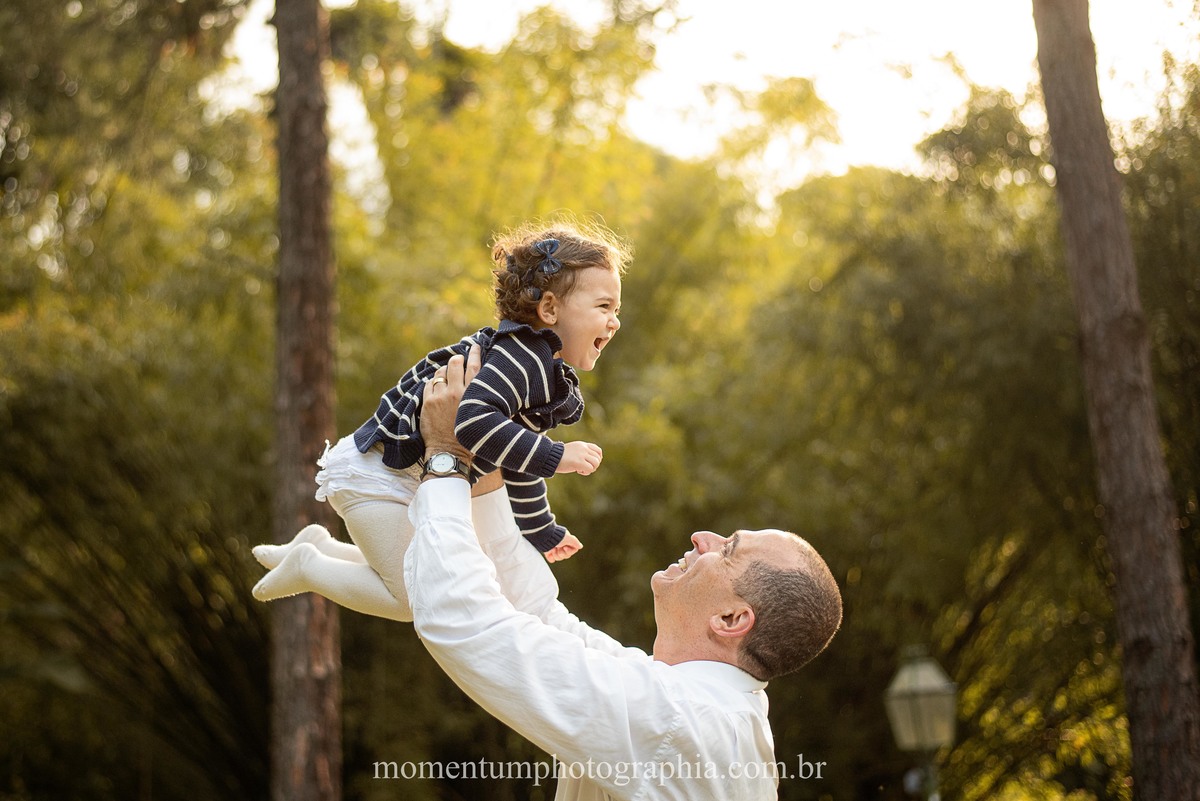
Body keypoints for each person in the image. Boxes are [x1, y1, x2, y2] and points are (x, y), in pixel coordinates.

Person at [404, 346, 843, 801]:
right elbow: (536, 617)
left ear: (732, 620)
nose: (701, 537)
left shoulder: (675, 719)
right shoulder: (699, 706)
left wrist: (446, 458)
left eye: (728, 549)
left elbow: (463, 622)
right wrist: (487, 463)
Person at [251, 217, 630, 621]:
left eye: (617, 309)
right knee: (416, 599)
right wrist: (556, 455)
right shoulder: (521, 358)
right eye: (604, 306)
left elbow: (512, 458)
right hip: (379, 477)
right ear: (550, 308)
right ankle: (310, 566)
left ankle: (320, 548)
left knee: (421, 578)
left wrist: (540, 528)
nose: (615, 320)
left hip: (402, 477)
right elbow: (471, 422)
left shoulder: (536, 365)